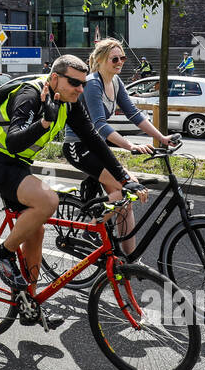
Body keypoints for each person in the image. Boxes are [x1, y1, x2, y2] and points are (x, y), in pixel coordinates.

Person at [0, 54, 137, 325]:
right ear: (55, 79)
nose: (81, 89)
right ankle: (1, 254)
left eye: (83, 83)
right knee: (48, 201)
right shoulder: (30, 96)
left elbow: (94, 141)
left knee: (36, 231)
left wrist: (123, 179)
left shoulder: (69, 102)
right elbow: (13, 141)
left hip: (17, 165)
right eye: (75, 83)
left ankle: (29, 303)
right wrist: (44, 123)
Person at [63, 39, 172, 257]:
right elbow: (100, 125)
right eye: (115, 58)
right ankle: (91, 228)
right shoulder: (93, 83)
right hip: (78, 147)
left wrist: (162, 138)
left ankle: (130, 260)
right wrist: (132, 145)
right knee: (125, 189)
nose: (120, 62)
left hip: (97, 148)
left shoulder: (117, 82)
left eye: (122, 58)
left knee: (126, 199)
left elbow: (134, 114)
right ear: (101, 60)